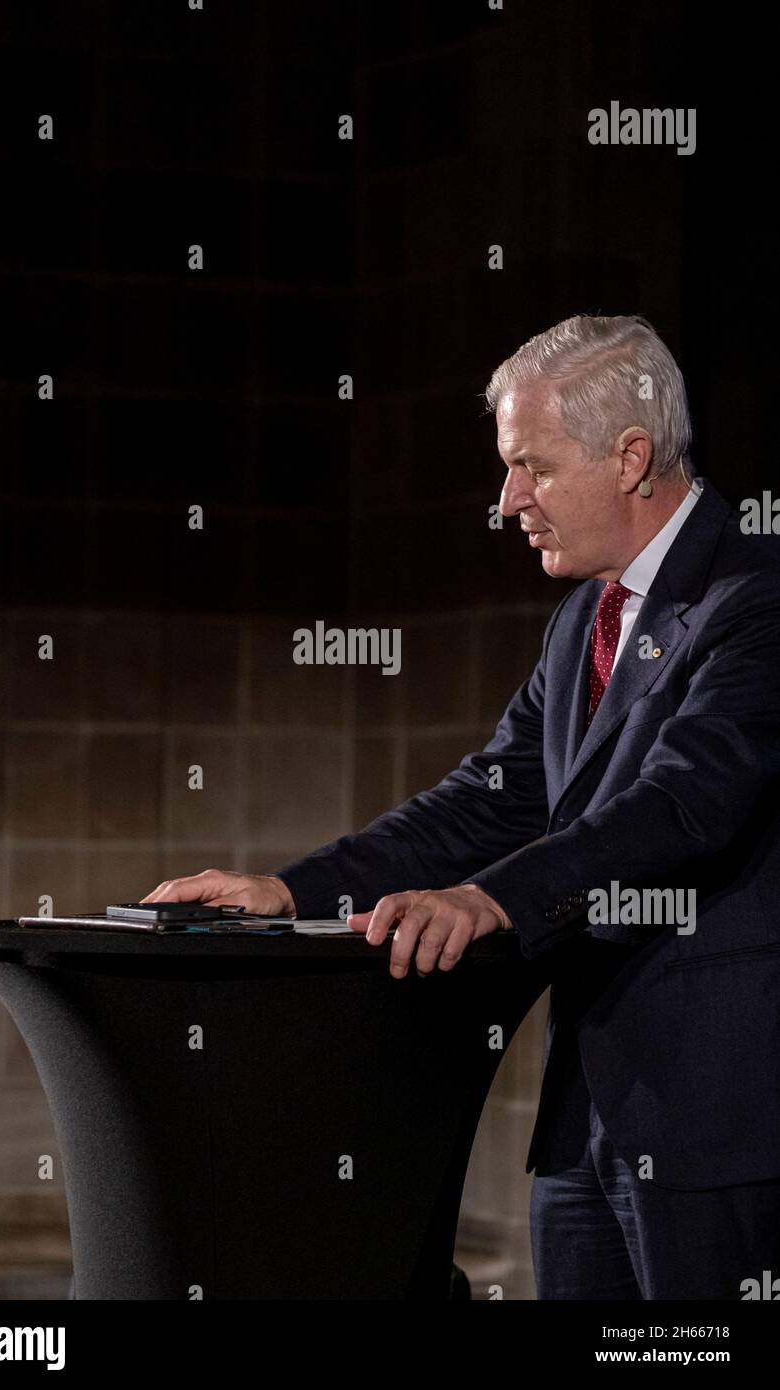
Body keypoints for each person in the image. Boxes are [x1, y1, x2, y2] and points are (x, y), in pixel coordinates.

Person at [142, 314, 780, 1300]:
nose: (505, 499)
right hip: (584, 1123)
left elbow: (679, 806)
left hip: (718, 1121)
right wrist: (287, 888)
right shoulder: (583, 621)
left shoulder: (756, 596)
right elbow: (480, 803)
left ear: (629, 456)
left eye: (528, 465)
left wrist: (492, 901)